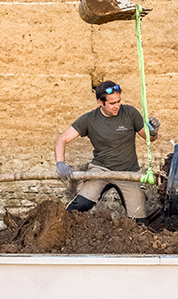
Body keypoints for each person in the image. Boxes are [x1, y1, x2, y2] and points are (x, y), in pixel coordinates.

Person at [54, 80, 160, 224]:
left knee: (139, 223)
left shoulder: (130, 113)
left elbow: (149, 138)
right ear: (100, 102)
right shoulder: (89, 119)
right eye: (112, 103)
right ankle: (60, 228)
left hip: (128, 173)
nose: (117, 106)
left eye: (119, 101)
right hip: (101, 169)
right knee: (79, 206)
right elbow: (62, 138)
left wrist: (153, 132)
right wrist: (60, 163)